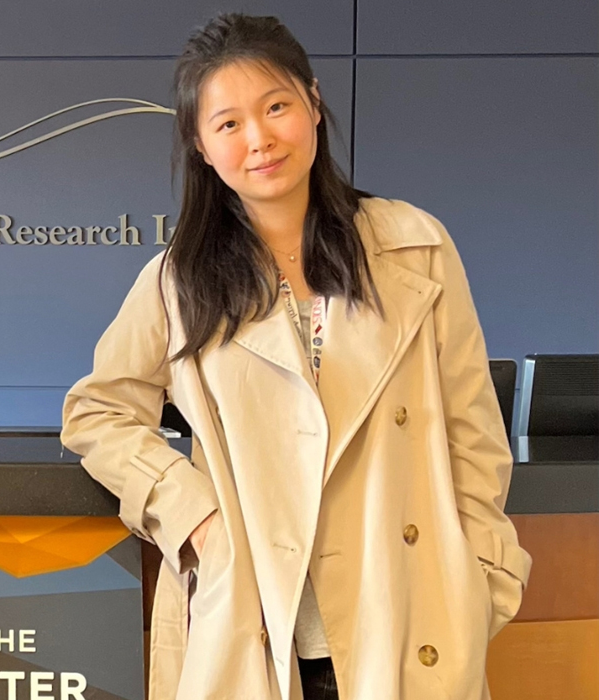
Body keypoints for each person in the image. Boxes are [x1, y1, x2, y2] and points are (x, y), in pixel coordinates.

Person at [61, 14, 528, 700]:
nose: (259, 138)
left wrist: (484, 574)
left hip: (408, 617)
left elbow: (473, 431)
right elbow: (97, 412)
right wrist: (199, 521)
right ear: (201, 146)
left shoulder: (413, 245)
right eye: (228, 123)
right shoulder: (178, 282)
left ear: (313, 102)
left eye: (276, 106)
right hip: (259, 630)